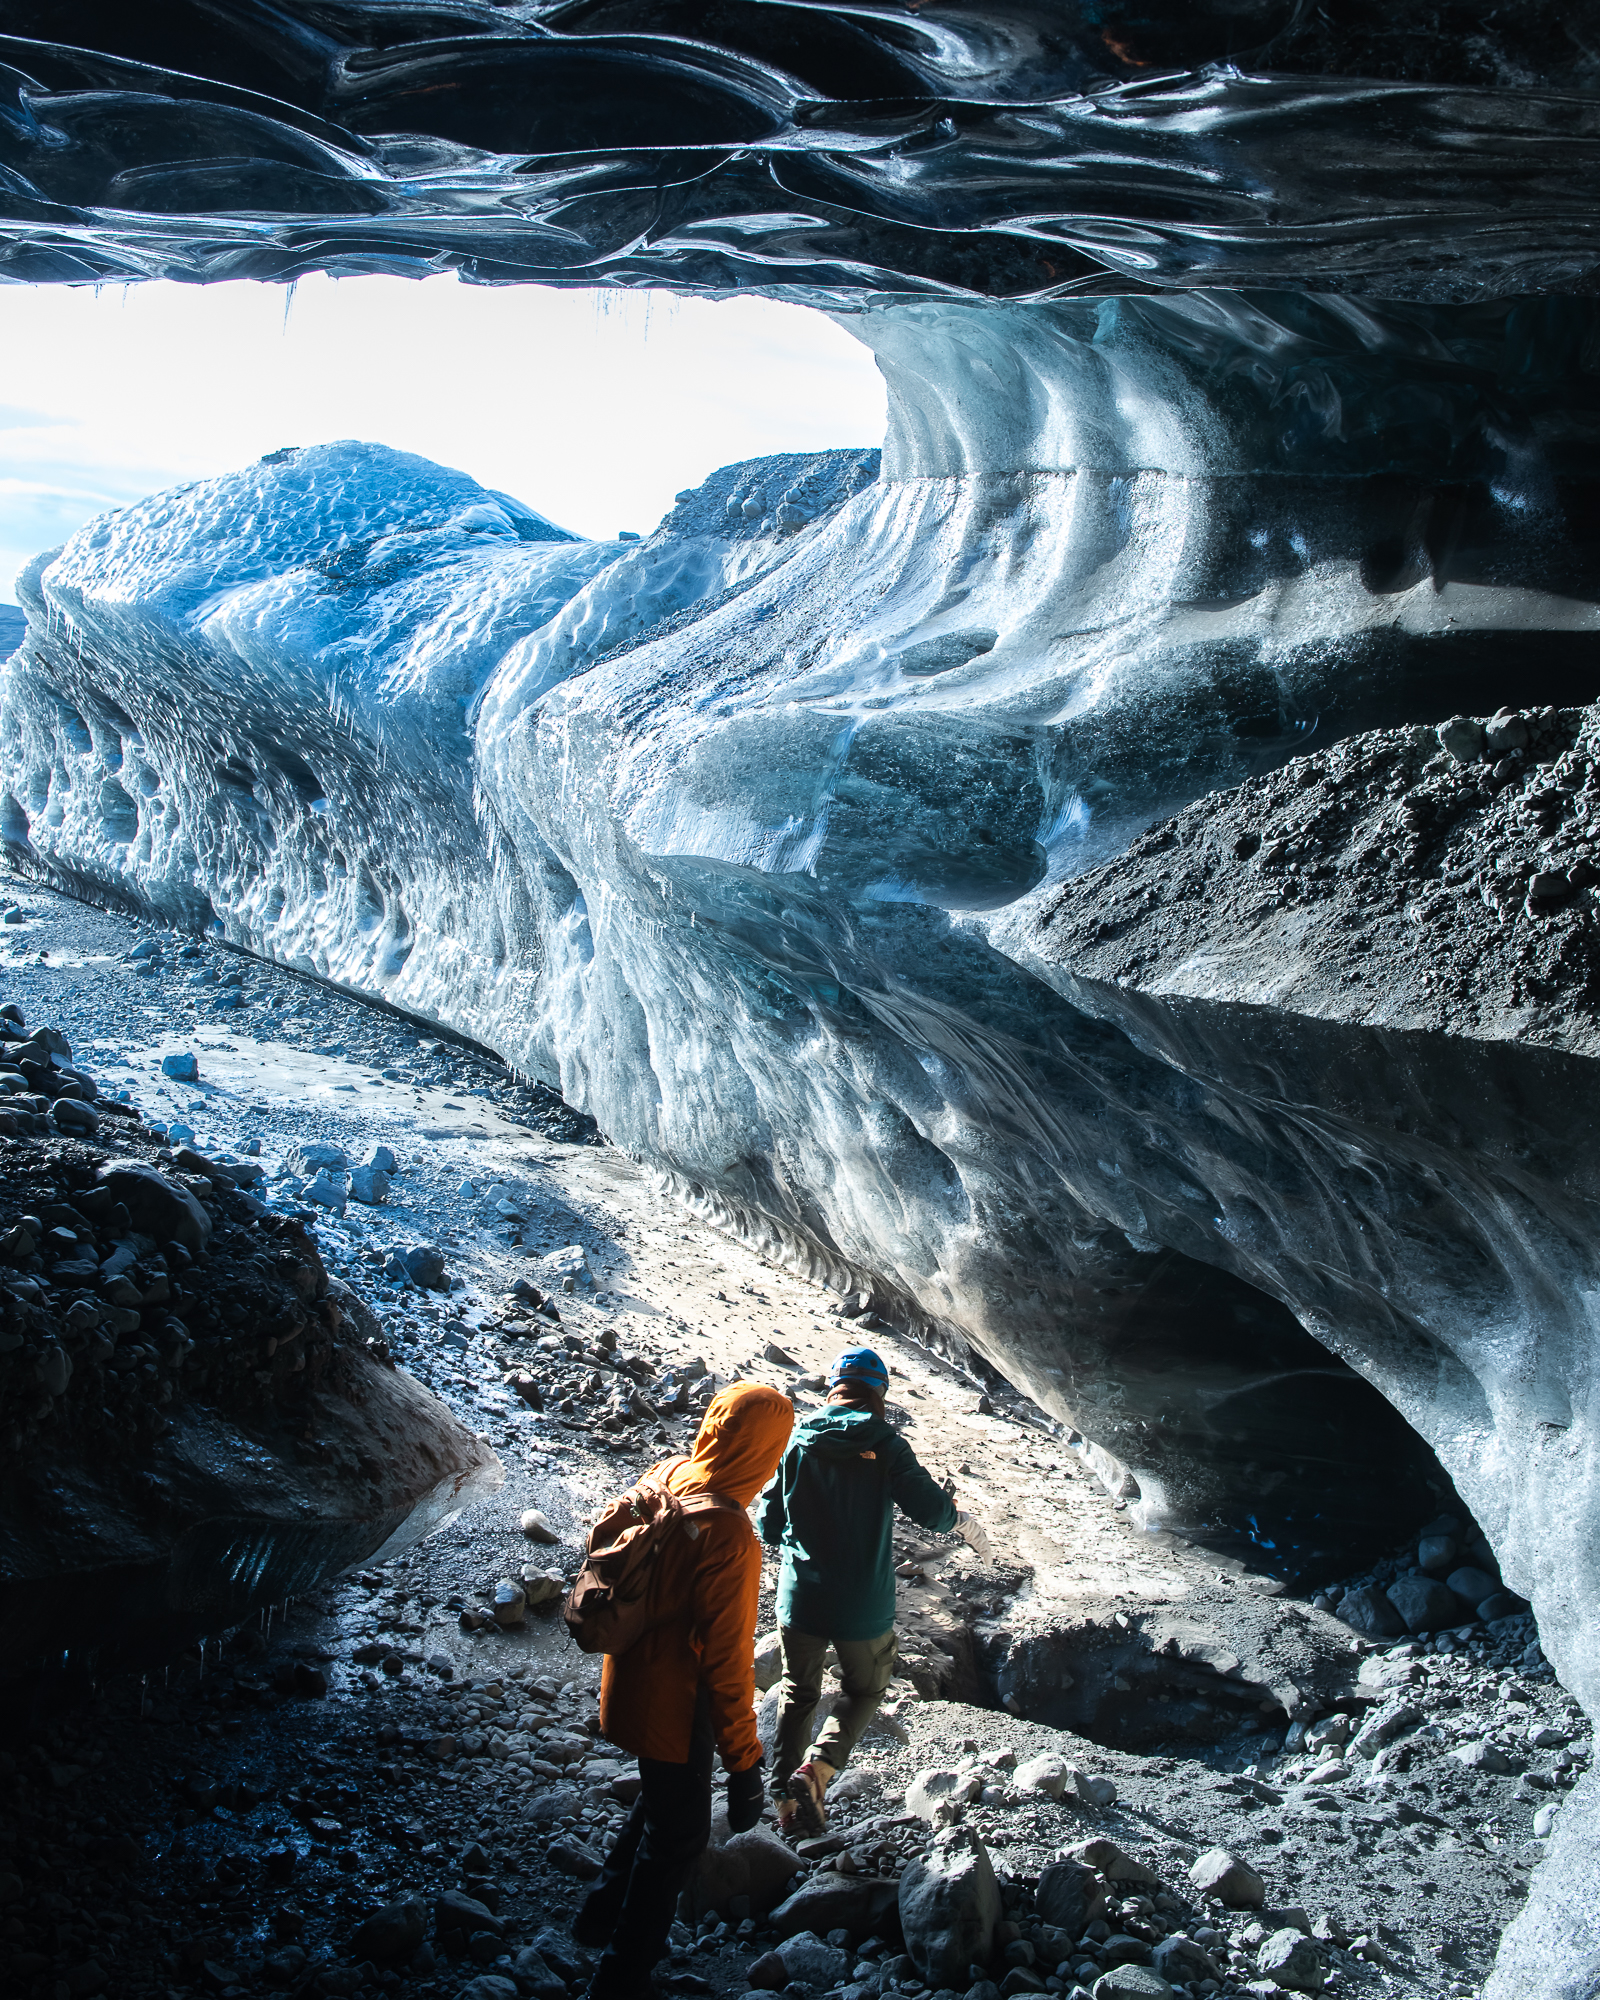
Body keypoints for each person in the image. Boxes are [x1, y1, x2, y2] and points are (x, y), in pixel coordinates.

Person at [576, 1380, 794, 2000]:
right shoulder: (729, 1534)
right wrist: (745, 1765)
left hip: (628, 1675)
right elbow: (727, 1663)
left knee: (664, 1800)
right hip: (674, 1702)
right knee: (679, 1837)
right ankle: (619, 1981)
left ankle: (597, 1918)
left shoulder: (672, 1472)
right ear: (762, 1452)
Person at [760, 1345, 980, 1838]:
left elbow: (767, 1523)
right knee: (865, 1688)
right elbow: (933, 1512)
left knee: (797, 1691)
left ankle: (784, 1804)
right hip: (862, 1604)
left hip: (800, 1597)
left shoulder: (799, 1440)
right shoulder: (885, 1443)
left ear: (833, 1389)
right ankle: (818, 1770)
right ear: (879, 1393)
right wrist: (959, 1517)